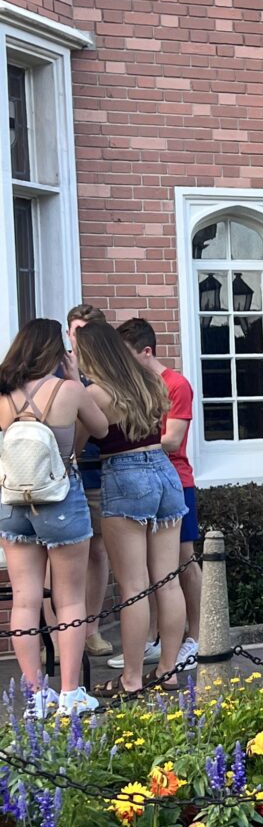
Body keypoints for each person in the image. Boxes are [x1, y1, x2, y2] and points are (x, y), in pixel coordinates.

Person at [0, 319, 109, 716]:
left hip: (12, 502)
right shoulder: (68, 390)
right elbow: (101, 428)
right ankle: (69, 693)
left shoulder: (4, 394)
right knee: (70, 599)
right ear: (54, 351)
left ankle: (35, 695)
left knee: (25, 600)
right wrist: (75, 377)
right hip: (61, 498)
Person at [75, 322, 187, 696]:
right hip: (164, 471)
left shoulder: (97, 393)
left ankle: (132, 678)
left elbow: (75, 446)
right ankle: (169, 671)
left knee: (133, 586)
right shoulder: (149, 382)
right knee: (168, 580)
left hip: (125, 475)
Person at [117, 318, 200, 671]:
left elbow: (173, 440)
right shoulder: (134, 387)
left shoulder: (176, 385)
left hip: (177, 482)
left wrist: (130, 443)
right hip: (145, 483)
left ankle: (196, 638)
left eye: (126, 355)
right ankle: (155, 639)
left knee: (184, 561)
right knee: (152, 568)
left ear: (146, 351)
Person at [66, 304, 117, 658]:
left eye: (85, 331)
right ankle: (58, 635)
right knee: (60, 554)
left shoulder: (108, 369)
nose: (79, 339)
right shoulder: (56, 364)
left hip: (97, 468)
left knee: (97, 550)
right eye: (75, 332)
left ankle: (92, 630)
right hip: (64, 472)